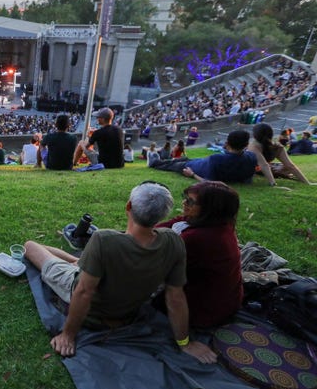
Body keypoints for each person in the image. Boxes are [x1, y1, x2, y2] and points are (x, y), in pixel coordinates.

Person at [23, 182, 217, 363]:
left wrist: (68, 334)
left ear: (128, 206)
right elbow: (175, 297)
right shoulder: (174, 242)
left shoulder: (104, 240)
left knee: (31, 246)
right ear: (162, 215)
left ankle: (77, 264)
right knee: (79, 261)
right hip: (126, 310)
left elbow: (83, 292)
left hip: (86, 300)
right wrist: (185, 343)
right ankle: (78, 262)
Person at [156, 182, 243, 328]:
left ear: (210, 210)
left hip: (203, 312)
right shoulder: (221, 224)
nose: (184, 203)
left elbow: (154, 265)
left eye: (190, 201)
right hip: (229, 301)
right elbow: (164, 226)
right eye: (185, 198)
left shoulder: (197, 238)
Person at [151, 130, 258, 184]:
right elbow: (248, 178)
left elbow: (209, 182)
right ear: (246, 144)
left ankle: (154, 163)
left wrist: (192, 175)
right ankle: (157, 161)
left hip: (190, 167)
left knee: (171, 164)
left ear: (228, 143)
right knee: (177, 160)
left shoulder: (217, 159)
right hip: (196, 162)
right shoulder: (252, 157)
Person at [249, 123, 313, 185]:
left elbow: (265, 165)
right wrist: (307, 182)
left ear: (255, 135)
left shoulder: (255, 146)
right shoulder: (276, 146)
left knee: (282, 167)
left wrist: (307, 183)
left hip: (256, 168)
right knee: (280, 168)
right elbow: (264, 165)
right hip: (252, 168)